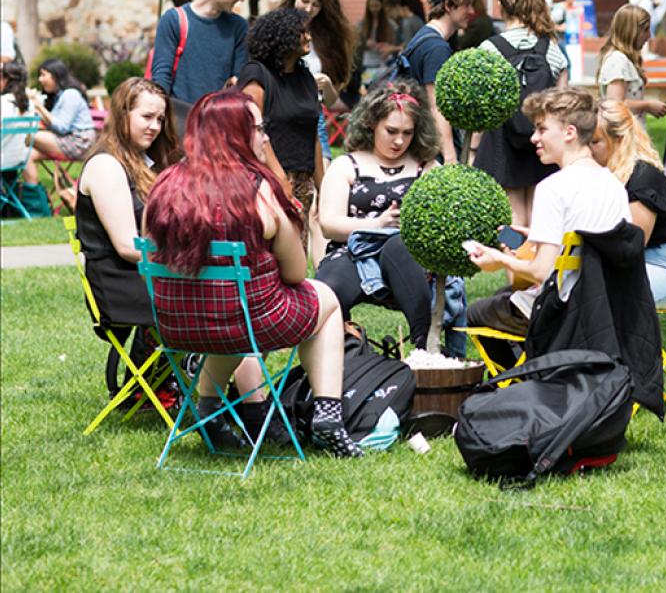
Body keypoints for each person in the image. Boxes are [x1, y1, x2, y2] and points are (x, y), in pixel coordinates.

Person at [143, 90, 360, 457]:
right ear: (234, 135)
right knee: (327, 300)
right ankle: (328, 413)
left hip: (176, 324)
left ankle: (210, 410)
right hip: (250, 320)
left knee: (228, 309)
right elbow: (294, 273)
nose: (266, 137)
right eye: (258, 128)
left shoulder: (164, 187)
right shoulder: (258, 192)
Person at [465, 87, 632, 367]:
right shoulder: (613, 183)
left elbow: (541, 271)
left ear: (569, 132)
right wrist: (539, 234)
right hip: (608, 307)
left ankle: (519, 379)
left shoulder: (552, 188)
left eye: (541, 129)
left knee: (478, 312)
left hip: (563, 311)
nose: (534, 138)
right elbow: (591, 238)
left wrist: (499, 259)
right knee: (502, 298)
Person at [73, 78, 183, 405]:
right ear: (123, 114)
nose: (155, 127)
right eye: (147, 117)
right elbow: (127, 246)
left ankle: (172, 383)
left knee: (219, 288)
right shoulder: (107, 165)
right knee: (208, 294)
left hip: (145, 276)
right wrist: (186, 258)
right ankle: (180, 385)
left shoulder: (144, 163)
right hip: (119, 282)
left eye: (160, 119)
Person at [315, 83, 438, 349]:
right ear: (371, 124)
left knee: (398, 245)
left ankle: (423, 348)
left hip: (407, 255)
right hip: (352, 249)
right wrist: (377, 223)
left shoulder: (426, 167)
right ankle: (344, 354)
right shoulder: (346, 165)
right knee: (328, 288)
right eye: (391, 131)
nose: (398, 141)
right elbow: (328, 224)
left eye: (407, 133)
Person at [473, 0, 568, 226]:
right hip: (542, 142)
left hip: (503, 143)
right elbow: (563, 102)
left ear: (503, 7)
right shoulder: (552, 49)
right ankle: (541, 264)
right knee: (541, 214)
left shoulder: (490, 49)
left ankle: (516, 264)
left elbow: (481, 107)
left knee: (514, 218)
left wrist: (473, 148)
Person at [590, 99, 666, 309]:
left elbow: (630, 248)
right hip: (634, 265)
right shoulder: (602, 175)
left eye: (594, 142)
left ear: (618, 140)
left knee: (591, 292)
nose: (587, 149)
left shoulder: (642, 178)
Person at [237, 7, 323, 219]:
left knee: (298, 249)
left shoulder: (305, 78)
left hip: (302, 180)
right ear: (283, 35)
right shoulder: (257, 75)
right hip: (264, 178)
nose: (309, 37)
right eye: (302, 32)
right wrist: (281, 179)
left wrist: (324, 187)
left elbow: (314, 137)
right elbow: (254, 132)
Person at [150, 0, 251, 104]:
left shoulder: (239, 27)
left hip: (218, 120)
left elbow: (238, 81)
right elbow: (161, 79)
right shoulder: (173, 20)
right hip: (180, 119)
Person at [402, 0, 480, 163]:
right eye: (466, 5)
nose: (471, 11)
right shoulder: (436, 48)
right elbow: (436, 106)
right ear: (448, 6)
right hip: (427, 148)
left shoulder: (424, 38)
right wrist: (450, 156)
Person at [282, 0, 358, 112]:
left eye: (316, 5)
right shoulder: (275, 31)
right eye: (304, 1)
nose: (308, 9)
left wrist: (327, 85)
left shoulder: (329, 38)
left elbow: (330, 103)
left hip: (312, 118)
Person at [24, 58, 96, 183]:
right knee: (25, 155)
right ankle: (33, 199)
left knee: (24, 135)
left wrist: (38, 106)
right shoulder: (59, 96)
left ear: (56, 75)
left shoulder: (70, 94)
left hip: (79, 142)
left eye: (43, 75)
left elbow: (62, 128)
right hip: (66, 140)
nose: (40, 79)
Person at [596, 4, 666, 124]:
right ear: (631, 31)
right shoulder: (617, 60)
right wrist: (648, 105)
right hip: (623, 138)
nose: (649, 36)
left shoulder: (624, 59)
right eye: (645, 30)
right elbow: (615, 104)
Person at [1, 62, 33, 173]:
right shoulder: (29, 104)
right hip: (19, 158)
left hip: (3, 158)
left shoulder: (3, 102)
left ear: (5, 80)